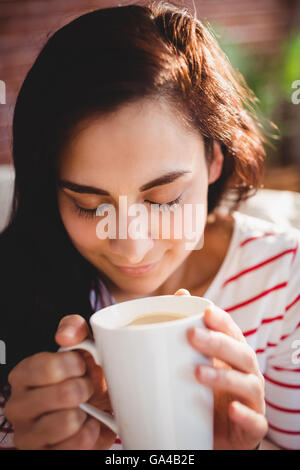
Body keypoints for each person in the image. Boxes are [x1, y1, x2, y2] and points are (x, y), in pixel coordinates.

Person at [0, 3, 299, 451]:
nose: (133, 250)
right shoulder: (15, 291)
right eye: (88, 205)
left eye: (164, 200)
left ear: (215, 158)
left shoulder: (285, 280)